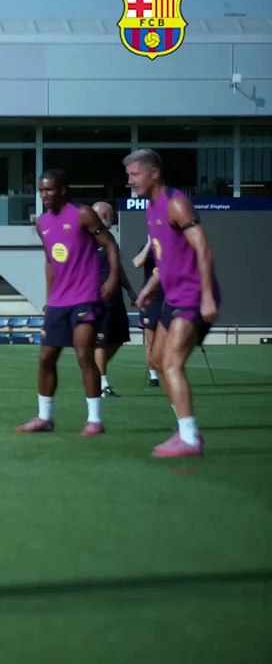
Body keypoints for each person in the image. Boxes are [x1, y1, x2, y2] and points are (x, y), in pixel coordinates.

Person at [127, 149, 220, 458]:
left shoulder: (176, 204)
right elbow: (164, 256)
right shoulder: (150, 209)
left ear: (154, 173)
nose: (130, 181)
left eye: (135, 174)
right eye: (129, 175)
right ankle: (184, 428)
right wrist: (151, 287)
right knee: (156, 361)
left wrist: (207, 295)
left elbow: (203, 249)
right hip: (171, 297)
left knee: (171, 363)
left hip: (193, 297)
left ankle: (190, 438)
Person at [16, 169, 120, 437]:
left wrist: (113, 280)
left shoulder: (83, 214)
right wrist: (49, 299)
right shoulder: (42, 223)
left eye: (49, 189)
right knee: (45, 358)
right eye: (41, 190)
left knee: (84, 354)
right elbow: (50, 261)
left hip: (85, 296)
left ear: (63, 189)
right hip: (59, 301)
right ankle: (44, 418)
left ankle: (95, 420)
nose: (44, 195)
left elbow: (110, 245)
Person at [90, 201, 138, 398]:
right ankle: (102, 383)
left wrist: (130, 290)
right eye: (111, 214)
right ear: (102, 215)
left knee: (119, 337)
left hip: (116, 298)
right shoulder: (87, 239)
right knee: (101, 340)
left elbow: (118, 267)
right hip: (99, 298)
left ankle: (95, 370)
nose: (114, 218)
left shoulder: (109, 239)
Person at [132, 239, 163, 387]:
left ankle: (167, 370)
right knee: (151, 340)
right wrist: (149, 244)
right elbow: (137, 263)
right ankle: (153, 375)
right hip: (150, 301)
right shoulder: (147, 248)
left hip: (168, 299)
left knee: (167, 340)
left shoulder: (169, 246)